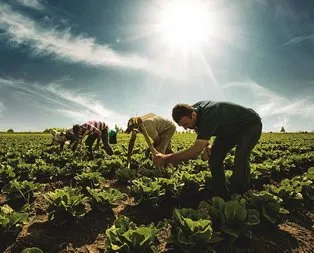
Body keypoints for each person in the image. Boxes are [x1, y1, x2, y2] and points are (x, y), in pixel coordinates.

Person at [153, 101, 262, 199]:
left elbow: (195, 150)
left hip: (249, 125)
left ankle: (240, 194)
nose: (185, 128)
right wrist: (207, 145)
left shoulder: (209, 115)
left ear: (193, 115)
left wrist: (166, 158)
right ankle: (222, 194)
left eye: (185, 124)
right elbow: (198, 129)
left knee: (241, 157)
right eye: (182, 126)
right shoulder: (193, 112)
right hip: (228, 130)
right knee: (214, 158)